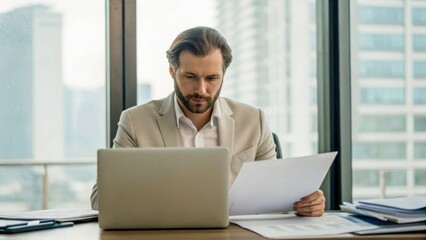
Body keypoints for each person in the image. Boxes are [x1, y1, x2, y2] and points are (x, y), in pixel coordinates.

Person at [90, 26, 325, 216]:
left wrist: (306, 203)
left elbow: (276, 196)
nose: (201, 89)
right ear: (172, 71)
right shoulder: (135, 121)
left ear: (224, 74)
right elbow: (101, 200)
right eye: (190, 77)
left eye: (212, 78)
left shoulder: (254, 120)